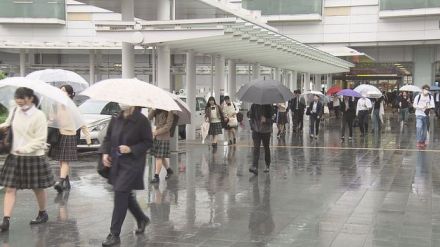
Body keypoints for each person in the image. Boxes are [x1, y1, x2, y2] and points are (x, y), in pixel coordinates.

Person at [0, 87, 55, 232]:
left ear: (31, 98)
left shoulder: (39, 116)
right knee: (10, 188)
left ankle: (43, 212)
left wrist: (24, 149)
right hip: (14, 157)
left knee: (37, 188)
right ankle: (5, 220)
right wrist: (3, 127)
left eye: (22, 99)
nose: (20, 102)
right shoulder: (14, 111)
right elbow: (8, 124)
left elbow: (41, 139)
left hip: (33, 157)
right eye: (18, 99)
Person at [101, 105, 153, 246]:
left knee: (120, 192)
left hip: (132, 164)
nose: (121, 103)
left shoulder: (142, 120)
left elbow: (148, 142)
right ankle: (142, 218)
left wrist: (131, 148)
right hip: (117, 162)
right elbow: (107, 138)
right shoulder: (116, 118)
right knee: (124, 194)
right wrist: (105, 153)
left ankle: (114, 234)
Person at [51, 85, 91, 193]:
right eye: (60, 90)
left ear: (69, 93)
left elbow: (81, 122)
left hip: (70, 135)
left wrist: (88, 137)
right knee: (61, 160)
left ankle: (60, 182)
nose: (61, 92)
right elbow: (52, 119)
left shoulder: (72, 106)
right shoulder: (56, 105)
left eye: (63, 90)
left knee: (65, 160)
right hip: (60, 135)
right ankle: (66, 181)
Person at [148, 109, 175, 184]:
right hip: (156, 137)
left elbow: (168, 126)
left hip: (164, 137)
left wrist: (157, 132)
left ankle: (156, 176)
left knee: (159, 157)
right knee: (160, 156)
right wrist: (152, 109)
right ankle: (169, 170)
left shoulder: (169, 112)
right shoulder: (156, 110)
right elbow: (149, 117)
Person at [248, 104, 273, 175]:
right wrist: (252, 126)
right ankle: (254, 166)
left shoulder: (269, 106)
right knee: (256, 148)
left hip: (266, 131)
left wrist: (266, 120)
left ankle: (267, 165)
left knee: (266, 147)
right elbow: (251, 117)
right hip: (256, 130)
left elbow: (272, 120)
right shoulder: (253, 105)